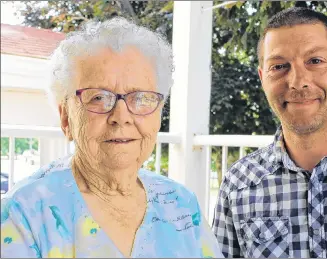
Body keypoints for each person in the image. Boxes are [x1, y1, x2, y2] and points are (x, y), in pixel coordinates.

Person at [1, 17, 223, 258]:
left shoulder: (181, 203)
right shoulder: (25, 213)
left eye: (140, 98)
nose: (121, 116)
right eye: (98, 97)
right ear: (66, 118)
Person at [212, 7, 327, 258]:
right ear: (262, 78)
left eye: (315, 61)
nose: (297, 81)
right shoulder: (238, 184)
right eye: (279, 66)